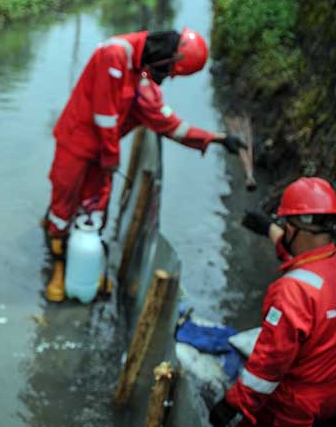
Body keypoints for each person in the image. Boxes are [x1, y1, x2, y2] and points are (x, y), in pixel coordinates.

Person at [43, 28, 247, 301]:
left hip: (104, 155)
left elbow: (169, 124)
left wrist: (216, 139)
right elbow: (104, 114)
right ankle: (57, 267)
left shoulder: (143, 79)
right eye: (170, 71)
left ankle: (84, 267)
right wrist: (112, 157)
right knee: (63, 203)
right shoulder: (115, 54)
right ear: (168, 57)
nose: (166, 78)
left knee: (95, 207)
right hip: (76, 142)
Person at [210, 177, 336, 426]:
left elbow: (269, 364)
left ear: (293, 228)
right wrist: (268, 228)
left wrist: (233, 403)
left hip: (295, 409)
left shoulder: (292, 292)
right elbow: (307, 256)